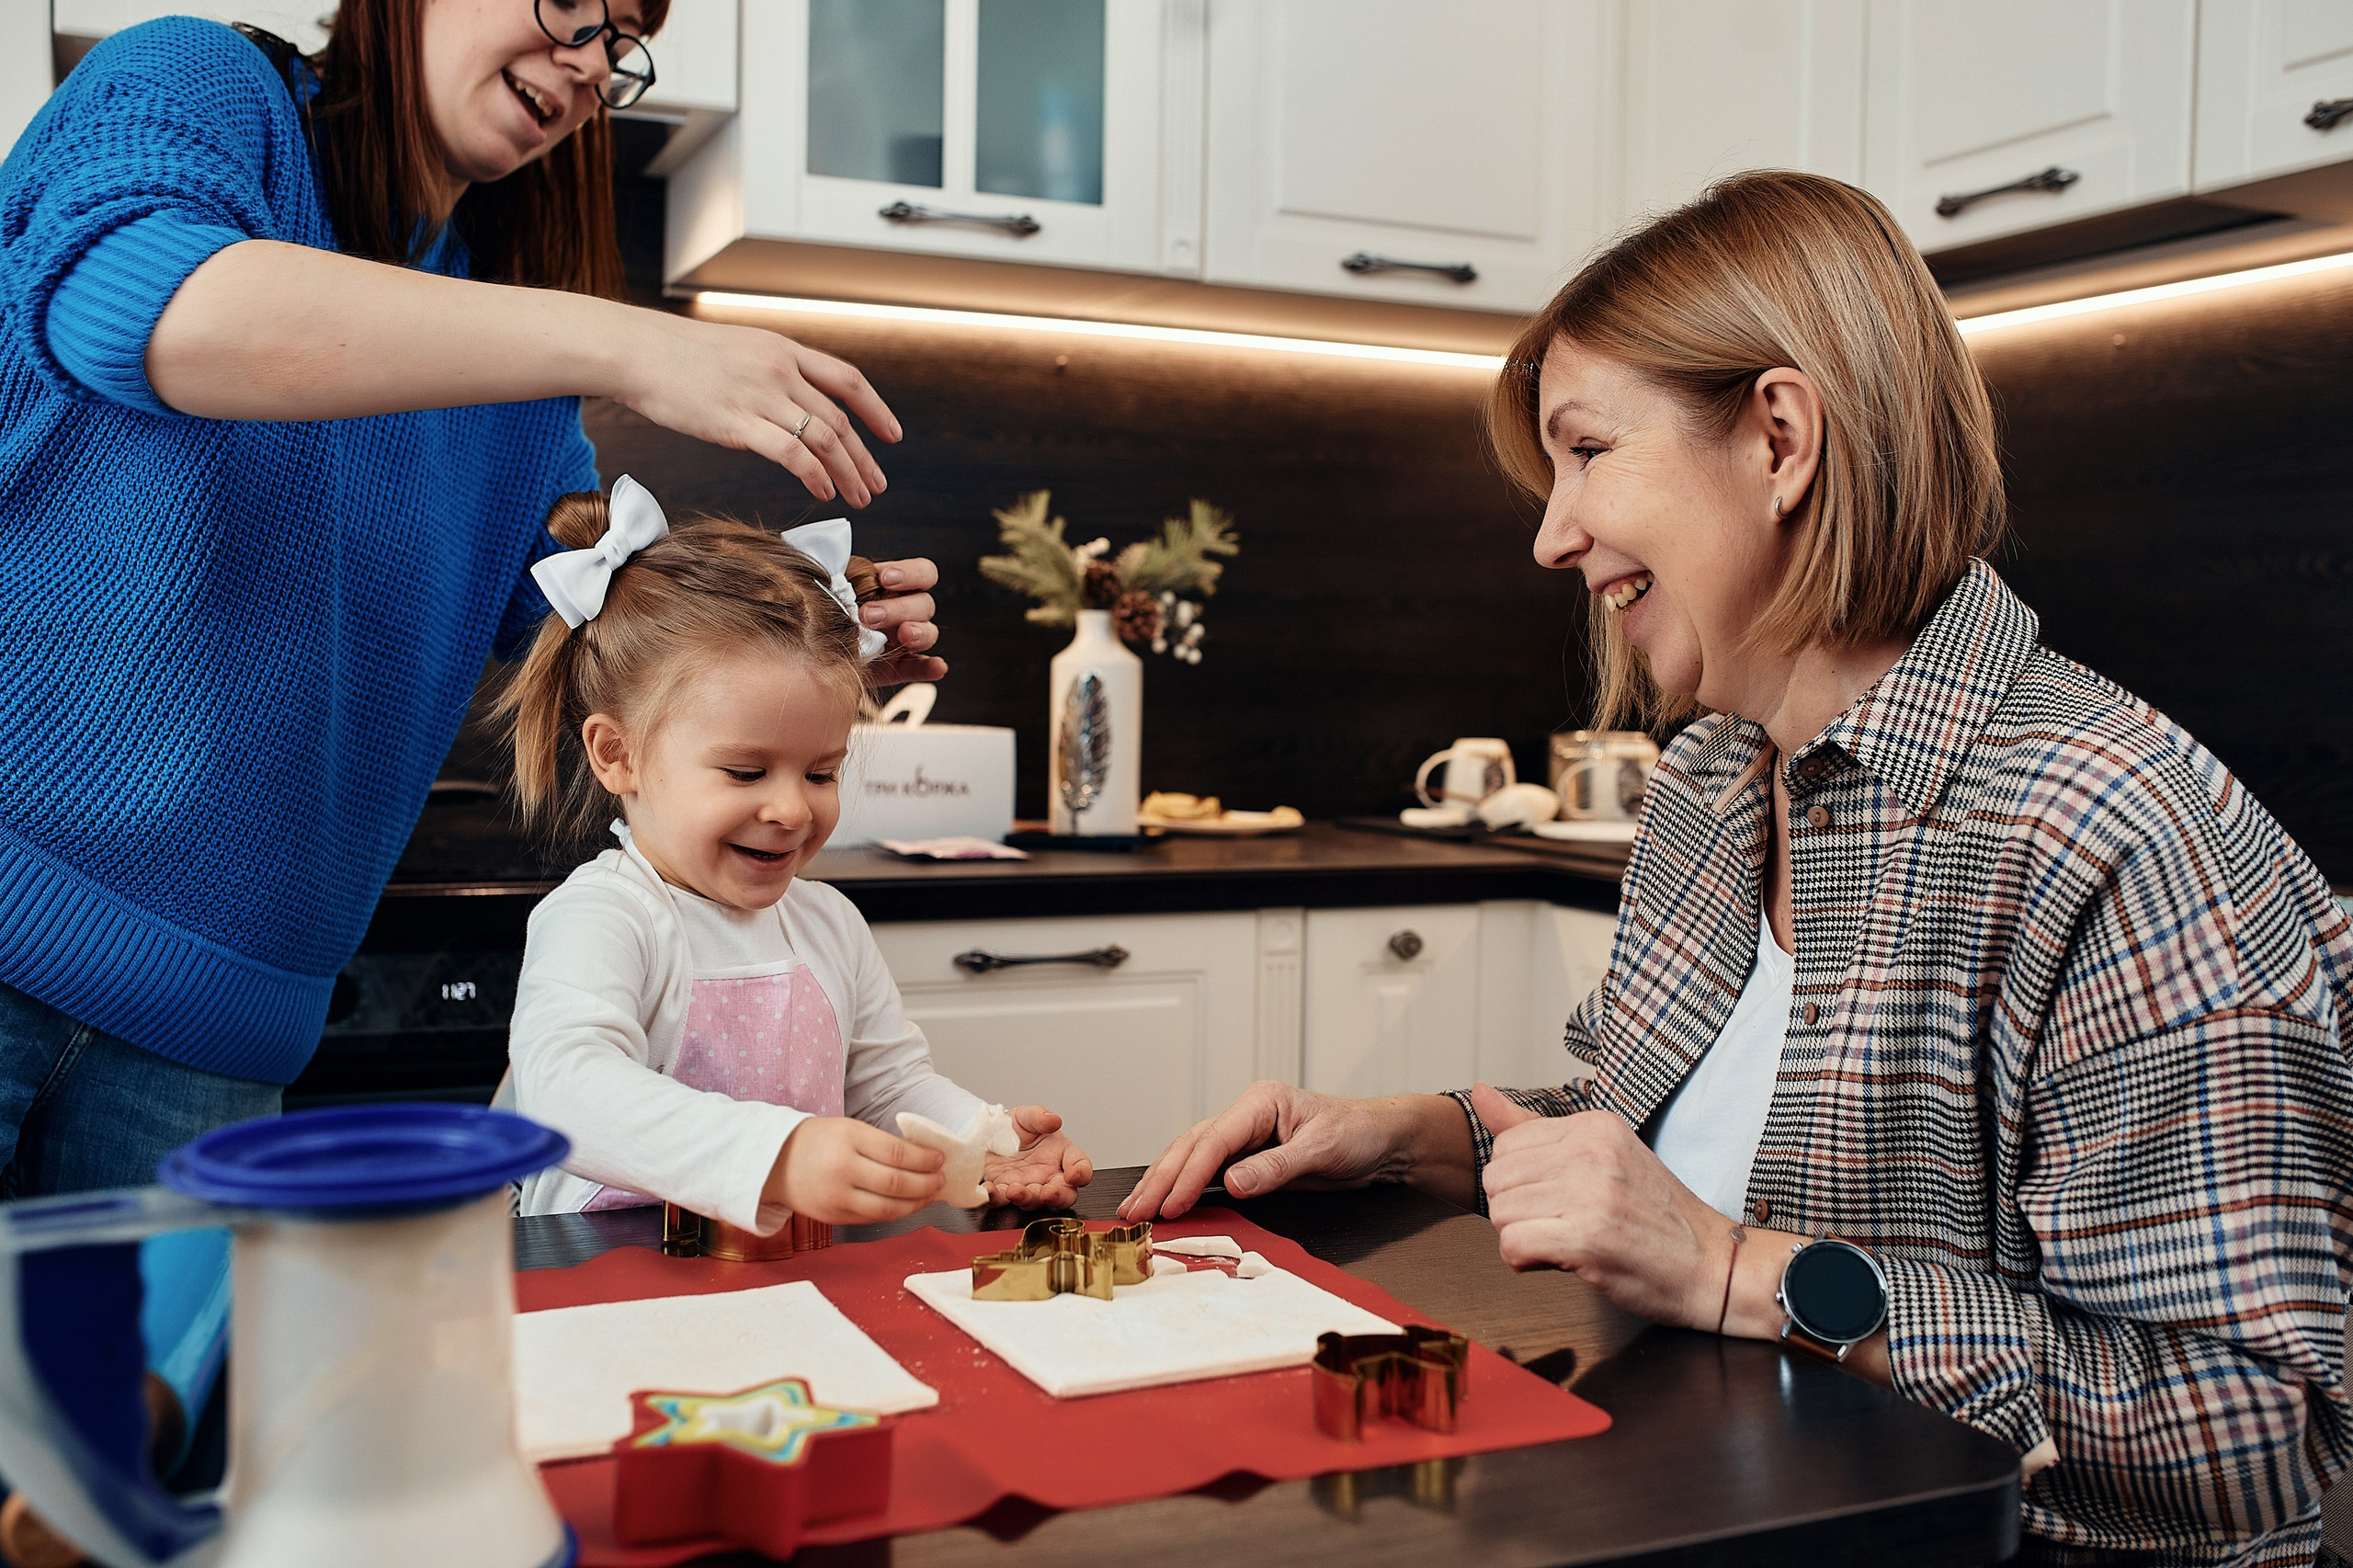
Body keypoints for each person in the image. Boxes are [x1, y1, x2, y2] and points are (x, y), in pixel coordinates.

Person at [1121, 171, 2352, 1564]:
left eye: (1587, 452)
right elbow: (1671, 1125)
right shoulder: (1716, 778)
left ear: (1779, 438)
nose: (1550, 533)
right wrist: (1416, 1135)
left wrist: (1742, 1274)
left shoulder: (2107, 825)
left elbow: (2252, 1428)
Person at [0, 0, 950, 1206]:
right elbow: (139, 305)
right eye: (573, 6)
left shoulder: (510, 364)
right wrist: (624, 345)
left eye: (621, 41)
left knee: (150, 1406)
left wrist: (797, 648)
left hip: (218, 1024)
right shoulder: (202, 83)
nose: (590, 61)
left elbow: (582, 621)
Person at [497, 479, 1092, 1223]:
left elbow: (887, 1086)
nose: (789, 808)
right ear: (618, 755)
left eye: (821, 772)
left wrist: (981, 1138)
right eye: (746, 772)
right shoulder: (603, 916)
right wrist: (777, 1156)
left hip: (787, 1275)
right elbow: (566, 1094)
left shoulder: (830, 923)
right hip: (602, 1274)